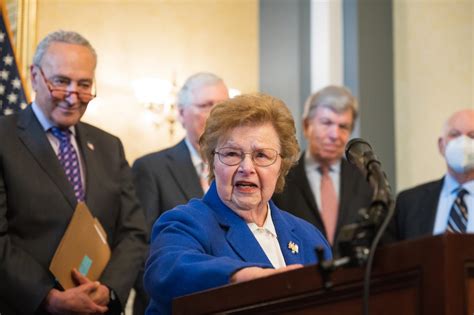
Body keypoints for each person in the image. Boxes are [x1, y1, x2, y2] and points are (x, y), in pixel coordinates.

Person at [0, 30, 147, 314]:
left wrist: (108, 289)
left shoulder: (109, 146)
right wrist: (47, 297)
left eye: (84, 84)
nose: (72, 96)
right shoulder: (3, 138)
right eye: (61, 82)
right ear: (35, 75)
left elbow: (134, 232)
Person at [143, 94, 332, 314]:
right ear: (212, 162)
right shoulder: (184, 223)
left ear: (281, 165)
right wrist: (245, 277)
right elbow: (167, 270)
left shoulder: (309, 237)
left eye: (261, 155)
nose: (247, 167)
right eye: (232, 154)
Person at [131, 72, 229, 314]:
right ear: (181, 112)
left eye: (223, 106)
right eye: (206, 105)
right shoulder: (151, 168)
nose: (216, 114)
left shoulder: (243, 171)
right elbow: (140, 247)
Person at [272, 85, 373, 257]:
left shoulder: (366, 179)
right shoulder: (281, 179)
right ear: (306, 126)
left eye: (343, 127)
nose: (335, 134)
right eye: (326, 123)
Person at [389, 109, 474, 241]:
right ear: (441, 145)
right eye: (454, 134)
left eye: (472, 136)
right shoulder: (408, 203)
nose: (463, 143)